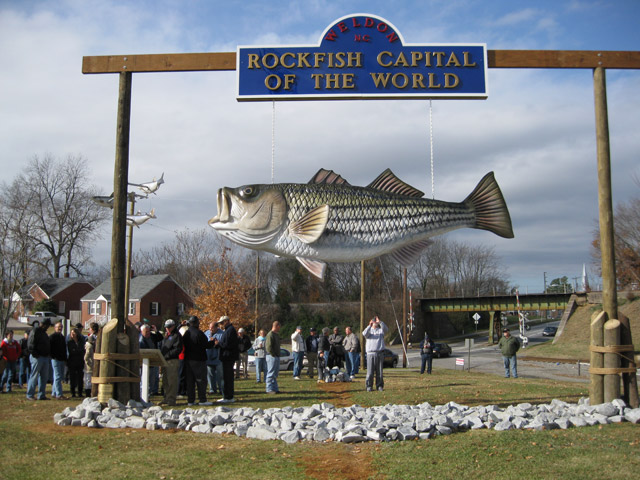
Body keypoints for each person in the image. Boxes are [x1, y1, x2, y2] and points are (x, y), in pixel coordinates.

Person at [182, 316, 214, 406]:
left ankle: (191, 400)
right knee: (201, 380)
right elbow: (205, 345)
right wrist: (212, 342)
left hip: (188, 360)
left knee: (190, 381)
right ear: (197, 323)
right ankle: (202, 399)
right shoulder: (199, 333)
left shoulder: (186, 334)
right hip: (199, 360)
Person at [26, 318, 52, 401]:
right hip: (37, 357)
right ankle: (30, 394)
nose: (47, 328)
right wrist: (35, 354)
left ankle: (41, 394)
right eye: (47, 326)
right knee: (34, 376)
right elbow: (30, 344)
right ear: (44, 324)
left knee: (43, 377)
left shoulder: (44, 333)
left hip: (44, 357)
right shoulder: (35, 331)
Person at [159, 319, 183, 406]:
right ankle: (166, 397)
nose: (167, 329)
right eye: (166, 327)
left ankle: (171, 399)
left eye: (169, 327)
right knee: (165, 381)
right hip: (165, 360)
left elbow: (177, 349)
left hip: (172, 360)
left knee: (172, 381)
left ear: (173, 326)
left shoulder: (176, 336)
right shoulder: (167, 336)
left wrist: (167, 355)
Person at [362, 316, 388, 392]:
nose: (375, 322)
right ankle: (369, 386)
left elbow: (386, 329)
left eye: (375, 321)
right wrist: (369, 325)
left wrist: (380, 322)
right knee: (370, 372)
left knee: (379, 371)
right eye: (374, 321)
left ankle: (379, 386)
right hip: (370, 353)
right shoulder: (369, 331)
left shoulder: (380, 331)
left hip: (379, 353)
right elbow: (364, 333)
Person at [217, 316, 239, 403]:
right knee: (225, 377)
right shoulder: (227, 330)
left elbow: (228, 344)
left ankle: (229, 396)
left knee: (228, 377)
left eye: (222, 323)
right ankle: (226, 396)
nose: (221, 325)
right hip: (226, 357)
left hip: (228, 357)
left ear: (227, 321)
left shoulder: (231, 330)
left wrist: (219, 343)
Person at [139, 324, 159, 397]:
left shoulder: (151, 337)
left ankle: (148, 395)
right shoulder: (140, 341)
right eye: (146, 332)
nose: (148, 333)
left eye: (149, 331)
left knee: (152, 381)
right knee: (143, 381)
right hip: (144, 364)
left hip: (152, 362)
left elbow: (160, 338)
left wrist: (156, 331)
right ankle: (143, 396)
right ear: (142, 332)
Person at [49, 321, 68, 400]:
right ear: (55, 328)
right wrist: (53, 356)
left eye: (61, 327)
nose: (60, 328)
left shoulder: (62, 337)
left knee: (57, 376)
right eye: (58, 327)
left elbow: (64, 349)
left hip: (61, 359)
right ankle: (59, 394)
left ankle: (54, 393)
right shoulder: (52, 337)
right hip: (55, 359)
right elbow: (50, 348)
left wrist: (65, 358)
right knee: (58, 377)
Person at [204, 321, 223, 395]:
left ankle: (221, 389)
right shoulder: (206, 333)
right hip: (209, 357)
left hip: (218, 357)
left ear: (216, 327)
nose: (210, 329)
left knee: (219, 375)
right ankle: (212, 389)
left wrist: (217, 343)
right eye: (209, 328)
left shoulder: (221, 334)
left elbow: (223, 344)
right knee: (210, 374)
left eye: (212, 328)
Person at [66, 328, 85, 398]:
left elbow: (82, 350)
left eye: (74, 333)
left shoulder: (81, 342)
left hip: (80, 362)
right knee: (72, 378)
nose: (72, 334)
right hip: (72, 362)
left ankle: (80, 392)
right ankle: (73, 392)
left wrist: (78, 351)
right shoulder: (69, 342)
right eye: (71, 333)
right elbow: (71, 351)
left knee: (80, 377)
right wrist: (77, 351)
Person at [265, 321, 281, 394]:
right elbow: (268, 347)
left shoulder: (276, 335)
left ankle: (275, 388)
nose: (279, 329)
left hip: (276, 356)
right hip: (271, 356)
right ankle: (269, 389)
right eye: (279, 327)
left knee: (275, 374)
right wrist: (273, 354)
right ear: (276, 326)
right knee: (270, 373)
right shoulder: (270, 334)